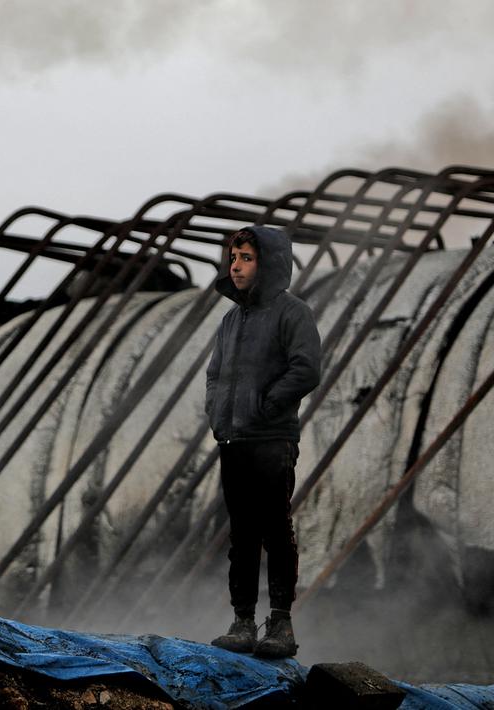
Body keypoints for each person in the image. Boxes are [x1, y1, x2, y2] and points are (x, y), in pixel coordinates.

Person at [204, 226, 321, 658]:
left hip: (271, 438)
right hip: (234, 439)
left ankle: (281, 623)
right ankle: (242, 621)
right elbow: (215, 374)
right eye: (233, 257)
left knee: (275, 528)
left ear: (267, 263)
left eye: (246, 258)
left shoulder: (292, 312)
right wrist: (218, 414)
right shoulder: (232, 319)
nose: (235, 266)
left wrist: (267, 406)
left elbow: (306, 369)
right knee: (242, 533)